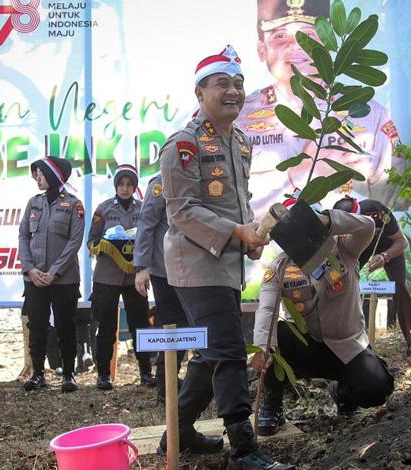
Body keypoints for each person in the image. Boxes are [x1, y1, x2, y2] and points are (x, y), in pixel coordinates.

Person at [157, 46, 292, 470]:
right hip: (195, 265)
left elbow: (239, 201)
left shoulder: (239, 142)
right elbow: (181, 211)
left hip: (227, 262)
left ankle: (176, 434)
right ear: (200, 93)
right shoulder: (183, 145)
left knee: (211, 352)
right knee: (230, 350)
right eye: (222, 84)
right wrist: (236, 232)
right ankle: (244, 450)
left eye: (238, 83)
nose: (233, 91)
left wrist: (251, 235)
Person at [237, 0, 406, 217]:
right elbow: (224, 204)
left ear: (326, 46)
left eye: (308, 35)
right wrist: (299, 177)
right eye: (280, 36)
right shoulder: (238, 119)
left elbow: (398, 204)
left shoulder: (370, 116)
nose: (296, 45)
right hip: (264, 238)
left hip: (348, 237)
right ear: (261, 49)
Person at [251, 202, 394, 436]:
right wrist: (261, 347)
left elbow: (367, 226)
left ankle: (344, 394)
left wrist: (326, 220)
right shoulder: (280, 267)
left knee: (378, 387)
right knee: (275, 336)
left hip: (347, 346)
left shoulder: (345, 249)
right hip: (307, 348)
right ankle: (272, 405)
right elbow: (266, 308)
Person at [18, 156, 84, 392]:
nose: (37, 177)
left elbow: (74, 242)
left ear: (54, 176)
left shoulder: (74, 205)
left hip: (64, 279)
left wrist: (54, 272)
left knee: (66, 325)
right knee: (37, 325)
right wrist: (30, 269)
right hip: (34, 278)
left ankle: (68, 374)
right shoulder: (33, 203)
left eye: (41, 173)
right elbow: (23, 236)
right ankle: (38, 374)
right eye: (35, 174)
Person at [88, 164, 154, 390]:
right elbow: (91, 241)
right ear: (116, 186)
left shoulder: (143, 209)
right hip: (106, 276)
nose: (125, 188)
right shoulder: (103, 209)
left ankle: (146, 372)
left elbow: (149, 238)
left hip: (135, 275)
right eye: (121, 184)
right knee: (106, 327)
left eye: (129, 184)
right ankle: (103, 375)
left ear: (134, 187)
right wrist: (106, 243)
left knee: (140, 325)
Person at [332, 197, 411, 354]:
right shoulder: (334, 221)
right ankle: (348, 341)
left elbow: (401, 241)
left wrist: (385, 256)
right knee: (344, 283)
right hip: (360, 247)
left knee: (400, 287)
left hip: (388, 246)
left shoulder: (377, 211)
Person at [133, 174, 190, 402]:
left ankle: (176, 382)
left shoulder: (195, 177)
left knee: (189, 328)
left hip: (193, 269)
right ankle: (165, 388)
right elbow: (146, 224)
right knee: (172, 326)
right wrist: (141, 267)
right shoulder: (160, 183)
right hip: (164, 270)